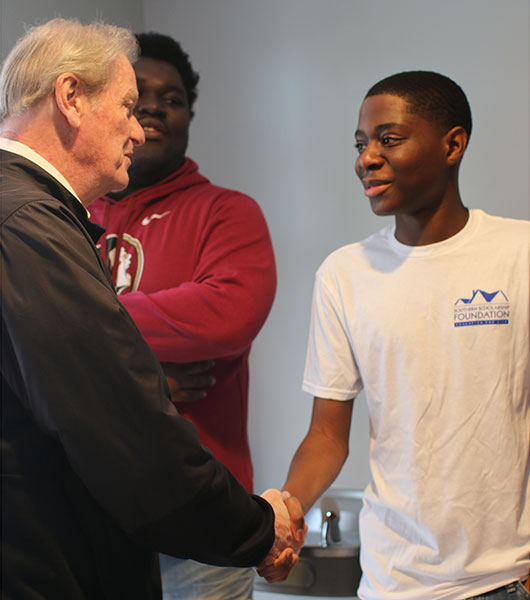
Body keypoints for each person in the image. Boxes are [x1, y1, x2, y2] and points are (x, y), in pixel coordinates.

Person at [0, 18, 305, 600]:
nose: (138, 130)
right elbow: (119, 425)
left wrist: (110, 323)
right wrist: (258, 529)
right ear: (71, 99)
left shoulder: (28, 211)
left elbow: (225, 314)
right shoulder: (29, 220)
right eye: (128, 106)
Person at [283, 71, 530, 600]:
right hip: (392, 583)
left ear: (453, 145)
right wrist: (283, 512)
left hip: (505, 579)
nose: (366, 158)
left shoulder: (519, 253)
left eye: (389, 139)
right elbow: (327, 437)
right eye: (360, 143)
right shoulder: (343, 275)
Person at [88, 32, 277, 599]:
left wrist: (88, 332)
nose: (153, 106)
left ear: (189, 116)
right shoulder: (65, 216)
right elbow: (25, 340)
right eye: (137, 94)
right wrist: (146, 377)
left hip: (203, 521)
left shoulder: (228, 213)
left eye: (172, 98)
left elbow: (227, 314)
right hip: (91, 517)